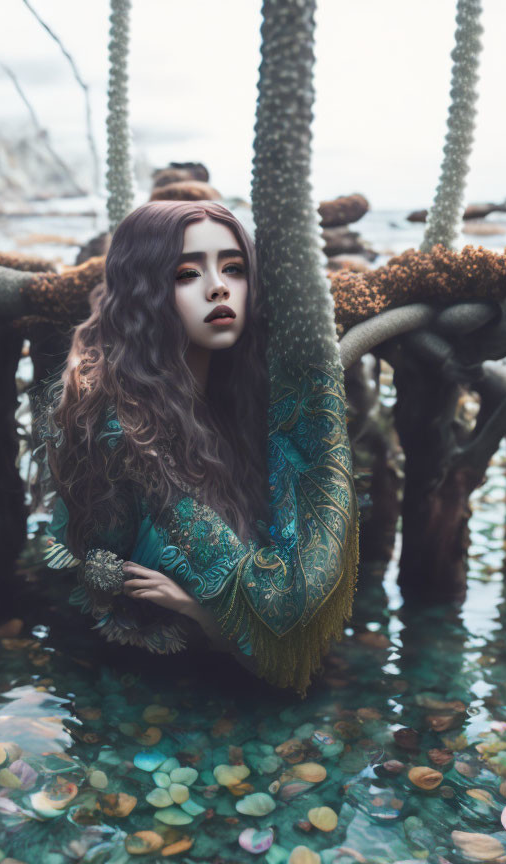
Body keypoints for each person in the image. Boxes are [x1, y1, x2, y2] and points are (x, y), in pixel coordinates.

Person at [43, 199, 359, 694]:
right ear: (145, 292)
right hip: (151, 687)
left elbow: (279, 584)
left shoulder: (250, 400)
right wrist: (195, 611)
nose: (218, 286)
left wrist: (200, 607)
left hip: (239, 678)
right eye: (187, 274)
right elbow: (100, 577)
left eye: (234, 268)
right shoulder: (118, 427)